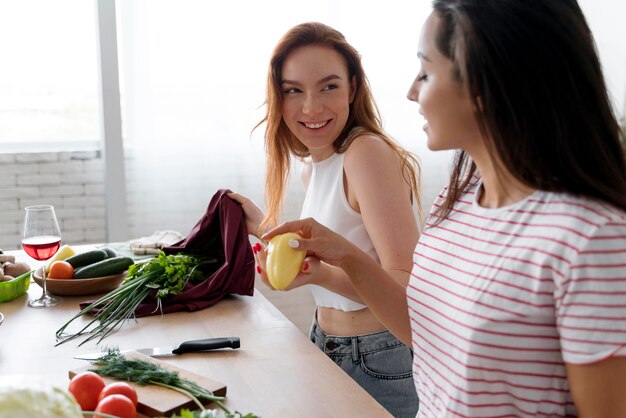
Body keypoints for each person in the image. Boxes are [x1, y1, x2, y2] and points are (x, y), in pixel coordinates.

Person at [262, 1, 626, 416]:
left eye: (426, 71)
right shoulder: (458, 201)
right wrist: (343, 255)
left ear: (487, 83)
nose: (412, 90)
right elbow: (422, 330)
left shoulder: (589, 238)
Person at [229, 22, 421, 417]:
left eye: (328, 86)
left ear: (353, 87)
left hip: (378, 356)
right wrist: (265, 226)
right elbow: (339, 243)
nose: (311, 107)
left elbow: (406, 288)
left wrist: (317, 274)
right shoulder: (313, 167)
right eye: (293, 91)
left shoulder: (365, 153)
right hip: (326, 341)